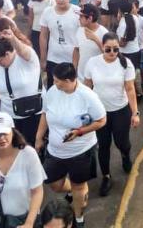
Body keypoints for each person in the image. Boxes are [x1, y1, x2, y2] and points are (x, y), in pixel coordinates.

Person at [34, 62, 107, 228]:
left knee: (78, 186)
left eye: (57, 80)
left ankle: (79, 217)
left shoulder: (87, 96)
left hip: (81, 151)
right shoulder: (52, 92)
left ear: (68, 80)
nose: (54, 83)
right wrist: (38, 137)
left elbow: (102, 120)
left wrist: (80, 132)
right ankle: (72, 191)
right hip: (55, 151)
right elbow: (45, 114)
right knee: (54, 183)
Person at [81, 33, 139, 197]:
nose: (112, 52)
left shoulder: (125, 63)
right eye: (108, 49)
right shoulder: (93, 63)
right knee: (103, 145)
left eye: (115, 49)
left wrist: (135, 113)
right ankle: (106, 176)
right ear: (102, 48)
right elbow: (87, 87)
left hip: (121, 110)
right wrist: (86, 111)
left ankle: (125, 154)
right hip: (100, 113)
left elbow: (130, 89)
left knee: (122, 142)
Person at [0, 21, 43, 141]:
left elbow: (23, 50)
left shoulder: (26, 58)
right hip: (9, 116)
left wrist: (12, 38)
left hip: (32, 114)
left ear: (7, 54)